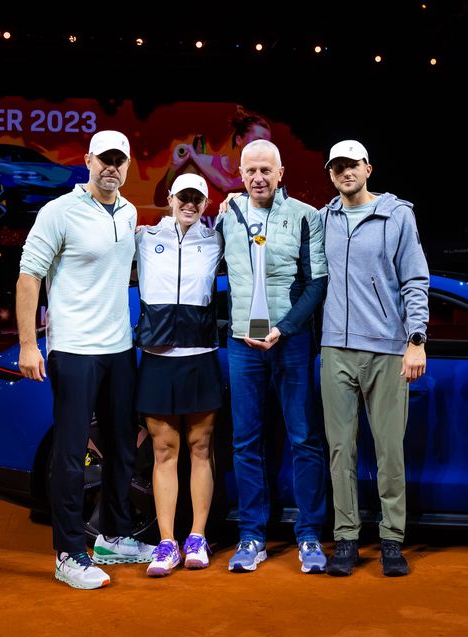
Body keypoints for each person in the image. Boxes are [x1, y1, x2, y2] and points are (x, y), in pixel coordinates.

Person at [17, 129, 153, 590]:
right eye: (105, 159)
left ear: (128, 166)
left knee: (122, 448)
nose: (112, 167)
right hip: (74, 349)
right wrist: (28, 345)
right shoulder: (59, 212)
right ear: (89, 161)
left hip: (118, 348)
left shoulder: (130, 211)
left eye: (121, 160)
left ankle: (113, 537)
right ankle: (69, 553)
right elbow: (28, 277)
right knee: (72, 455)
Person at [214, 139, 329, 573]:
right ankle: (251, 536)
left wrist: (285, 329)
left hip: (291, 342)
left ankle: (310, 535)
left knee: (304, 439)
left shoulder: (306, 217)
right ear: (240, 176)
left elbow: (317, 283)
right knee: (245, 442)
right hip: (243, 346)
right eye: (251, 172)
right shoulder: (228, 216)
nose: (259, 178)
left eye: (267, 170)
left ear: (281, 173)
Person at [319, 140, 429, 577]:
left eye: (353, 165)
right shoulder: (324, 218)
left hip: (386, 348)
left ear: (369, 168)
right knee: (341, 450)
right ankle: (346, 539)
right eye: (338, 167)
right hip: (335, 349)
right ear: (331, 173)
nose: (346, 172)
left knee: (388, 451)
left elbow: (415, 279)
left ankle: (391, 540)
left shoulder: (397, 214)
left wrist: (416, 339)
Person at [134, 173, 225, 577]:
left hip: (201, 354)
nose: (190, 204)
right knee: (164, 451)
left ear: (206, 204)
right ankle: (167, 542)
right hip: (157, 357)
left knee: (201, 447)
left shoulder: (216, 241)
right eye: (184, 197)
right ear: (170, 197)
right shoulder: (142, 237)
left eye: (197, 199)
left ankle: (198, 536)